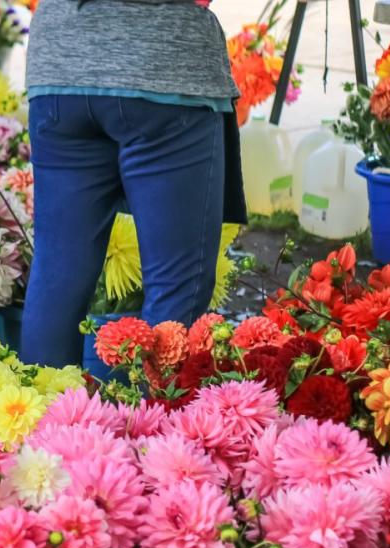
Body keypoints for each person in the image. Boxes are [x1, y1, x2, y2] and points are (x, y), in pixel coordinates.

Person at [21, 0, 246, 369]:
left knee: (57, 273)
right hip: (163, 61)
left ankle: (44, 417)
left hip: (60, 66)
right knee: (176, 285)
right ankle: (160, 421)